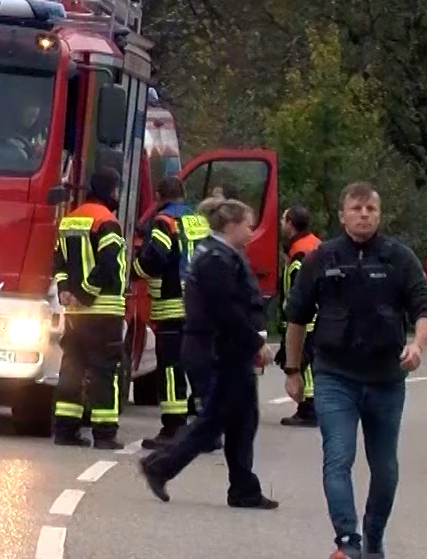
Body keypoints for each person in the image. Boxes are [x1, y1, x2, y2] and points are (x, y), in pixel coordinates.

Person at [282, 181, 427, 559]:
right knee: (338, 456)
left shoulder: (398, 258)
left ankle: (374, 534)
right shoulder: (322, 257)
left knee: (384, 466)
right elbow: (296, 318)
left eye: (371, 209)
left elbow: (425, 307)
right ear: (342, 214)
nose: (364, 214)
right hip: (335, 376)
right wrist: (293, 370)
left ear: (379, 215)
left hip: (386, 378)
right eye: (357, 208)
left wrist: (417, 345)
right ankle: (348, 540)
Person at [138, 198, 277, 509]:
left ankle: (243, 488)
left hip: (225, 349)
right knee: (214, 421)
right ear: (230, 226)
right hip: (218, 350)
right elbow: (226, 309)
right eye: (247, 225)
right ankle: (160, 466)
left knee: (242, 420)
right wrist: (256, 342)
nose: (251, 231)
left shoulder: (222, 254)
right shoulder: (216, 258)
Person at [50, 168, 127, 450]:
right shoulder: (106, 221)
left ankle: (65, 431)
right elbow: (108, 265)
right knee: (105, 371)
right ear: (111, 190)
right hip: (104, 310)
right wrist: (85, 293)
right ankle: (105, 435)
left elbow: (58, 263)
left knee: (72, 367)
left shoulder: (70, 220)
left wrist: (65, 291)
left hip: (75, 313)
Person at [133, 176, 203, 449]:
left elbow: (155, 257)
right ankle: (206, 428)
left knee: (171, 367)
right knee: (198, 364)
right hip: (200, 305)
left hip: (172, 304)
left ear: (160, 197)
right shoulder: (198, 221)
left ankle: (173, 428)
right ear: (183, 195)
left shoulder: (164, 221)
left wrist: (133, 271)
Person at [276, 205, 322, 426]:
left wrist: (288, 319)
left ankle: (309, 408)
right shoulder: (313, 243)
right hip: (319, 314)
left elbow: (295, 291)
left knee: (305, 361)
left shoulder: (300, 253)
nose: (281, 224)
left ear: (291, 223)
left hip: (306, 317)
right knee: (310, 360)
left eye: (283, 220)